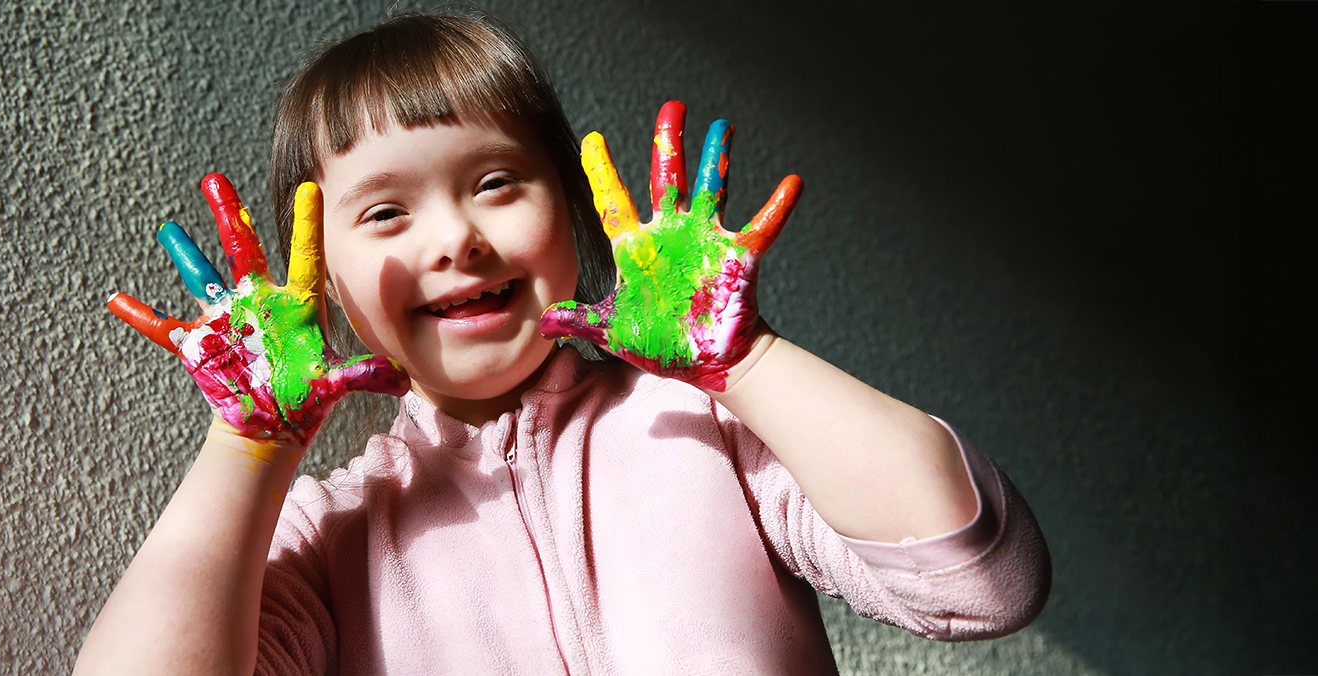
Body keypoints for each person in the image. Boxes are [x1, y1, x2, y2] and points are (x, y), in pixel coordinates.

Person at [78, 11, 1049, 675]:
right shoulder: (330, 539)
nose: (455, 237)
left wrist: (745, 361)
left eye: (497, 182)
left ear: (579, 213)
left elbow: (982, 580)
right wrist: (245, 448)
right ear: (323, 285)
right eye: (384, 212)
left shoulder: (708, 432)